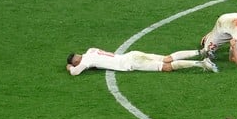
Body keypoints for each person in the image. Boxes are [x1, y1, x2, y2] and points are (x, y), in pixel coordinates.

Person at [66, 47, 217, 76]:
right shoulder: (91, 51)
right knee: (167, 58)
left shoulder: (86, 60)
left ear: (76, 61)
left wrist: (69, 68)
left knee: (166, 67)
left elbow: (75, 72)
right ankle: (200, 52)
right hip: (132, 54)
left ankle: (202, 63)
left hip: (132, 63)